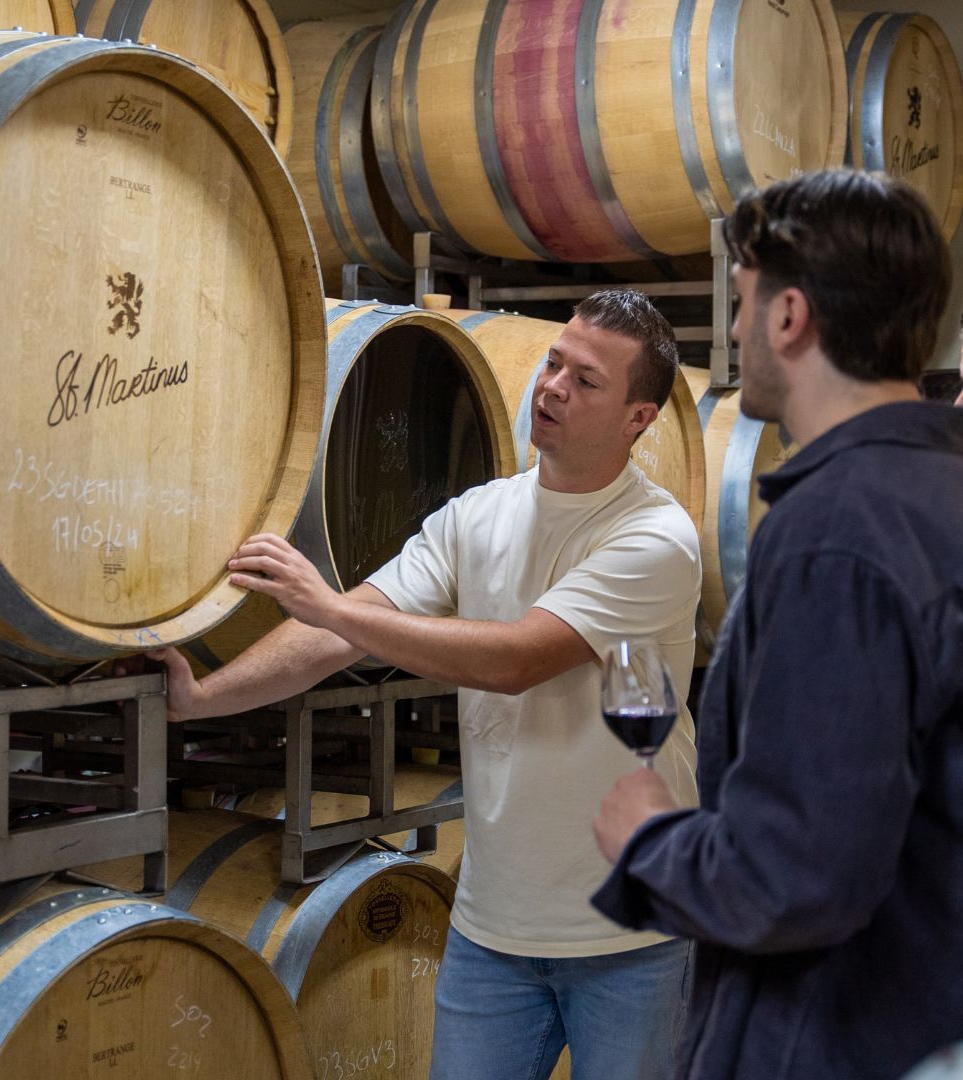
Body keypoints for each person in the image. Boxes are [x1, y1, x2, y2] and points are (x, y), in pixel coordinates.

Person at [151, 289, 701, 1080]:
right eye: (553, 363)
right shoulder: (477, 516)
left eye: (586, 381)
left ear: (637, 419)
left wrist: (332, 606)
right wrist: (202, 698)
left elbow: (515, 660)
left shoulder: (655, 537)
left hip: (630, 937)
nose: (551, 387)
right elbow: (333, 634)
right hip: (493, 929)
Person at [591, 169, 963, 1080]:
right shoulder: (939, 494)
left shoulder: (839, 529)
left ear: (791, 317)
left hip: (835, 1037)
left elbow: (797, 875)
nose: (732, 330)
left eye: (743, 300)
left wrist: (651, 840)